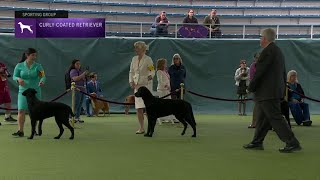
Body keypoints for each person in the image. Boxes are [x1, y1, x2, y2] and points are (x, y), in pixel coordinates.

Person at [243, 28, 301, 153]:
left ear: (264, 38)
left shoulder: (267, 52)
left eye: (260, 37)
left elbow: (260, 73)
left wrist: (250, 87)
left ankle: (292, 142)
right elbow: (282, 72)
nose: (260, 39)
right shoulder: (277, 51)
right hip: (272, 91)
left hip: (267, 92)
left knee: (275, 118)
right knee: (263, 119)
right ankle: (257, 142)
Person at [12, 48, 46, 137]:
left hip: (35, 91)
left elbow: (42, 76)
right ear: (27, 55)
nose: (35, 57)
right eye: (33, 55)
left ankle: (33, 130)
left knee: (35, 112)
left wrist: (42, 81)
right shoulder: (19, 65)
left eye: (35, 55)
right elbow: (14, 76)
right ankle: (20, 130)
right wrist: (18, 79)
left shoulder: (38, 66)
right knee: (21, 110)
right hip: (23, 92)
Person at [129, 41, 155, 134]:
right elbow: (131, 71)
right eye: (135, 48)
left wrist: (149, 78)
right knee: (139, 108)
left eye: (137, 48)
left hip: (146, 87)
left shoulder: (148, 59)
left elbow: (152, 71)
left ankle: (151, 127)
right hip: (137, 86)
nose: (135, 49)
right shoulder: (134, 59)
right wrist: (131, 81)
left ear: (142, 49)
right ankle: (141, 128)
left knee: (148, 108)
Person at [156, 58, 175, 123]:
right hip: (161, 90)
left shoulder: (165, 71)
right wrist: (166, 85)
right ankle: (162, 118)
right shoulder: (159, 72)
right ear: (162, 64)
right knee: (163, 104)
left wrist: (169, 86)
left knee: (169, 104)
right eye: (165, 63)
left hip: (167, 90)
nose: (166, 64)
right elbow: (160, 81)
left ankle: (169, 117)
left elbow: (167, 80)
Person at [248, 53, 260, 128]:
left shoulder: (265, 65)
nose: (258, 59)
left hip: (266, 89)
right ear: (254, 58)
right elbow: (252, 78)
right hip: (257, 89)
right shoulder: (253, 66)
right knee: (256, 106)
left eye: (259, 57)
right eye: (256, 58)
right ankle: (254, 123)